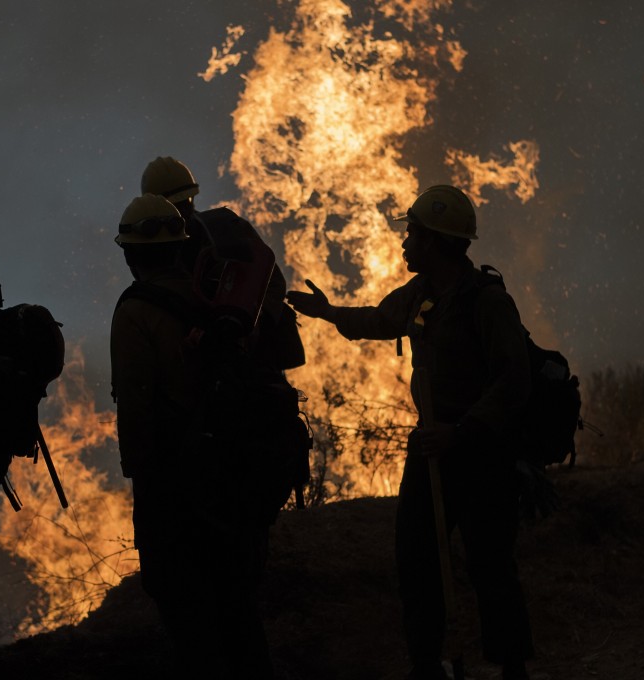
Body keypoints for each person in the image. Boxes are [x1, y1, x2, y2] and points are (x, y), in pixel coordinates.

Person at [286, 185, 535, 680]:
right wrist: (329, 312)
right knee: (416, 556)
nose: (404, 242)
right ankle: (426, 665)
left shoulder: (486, 302)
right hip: (432, 452)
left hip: (481, 452)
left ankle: (511, 667)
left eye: (412, 233)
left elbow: (515, 380)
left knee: (490, 562)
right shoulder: (421, 295)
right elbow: (379, 319)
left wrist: (461, 432)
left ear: (437, 242)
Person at [110, 193, 273, 679]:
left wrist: (138, 472)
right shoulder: (219, 298)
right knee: (237, 608)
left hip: (172, 480)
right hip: (230, 472)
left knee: (186, 610)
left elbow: (137, 403)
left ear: (131, 253)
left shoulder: (136, 310)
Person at [140, 155, 305, 373]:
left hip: (250, 362)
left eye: (186, 202)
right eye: (175, 207)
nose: (183, 212)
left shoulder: (226, 231)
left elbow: (272, 283)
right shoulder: (148, 255)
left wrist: (249, 324)